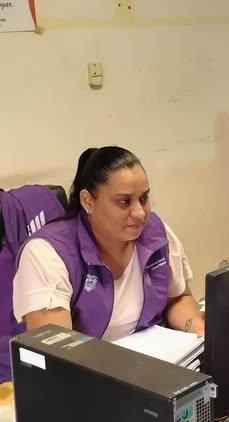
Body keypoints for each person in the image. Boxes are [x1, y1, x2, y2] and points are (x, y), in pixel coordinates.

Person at [12, 146, 204, 347]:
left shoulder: (155, 232)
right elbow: (57, 352)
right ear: (88, 201)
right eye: (124, 201)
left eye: (144, 198)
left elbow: (177, 299)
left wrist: (198, 331)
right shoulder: (46, 253)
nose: (140, 213)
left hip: (152, 357)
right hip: (85, 363)